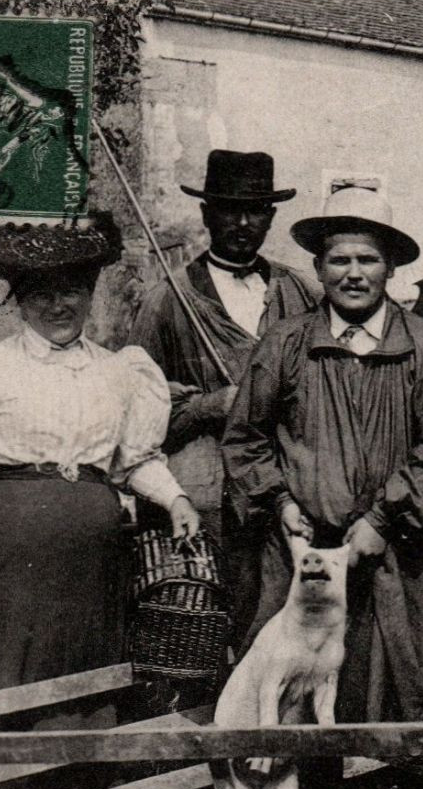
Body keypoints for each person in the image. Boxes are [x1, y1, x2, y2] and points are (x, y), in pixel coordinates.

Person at [222, 188, 423, 789]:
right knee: (305, 678)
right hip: (306, 551)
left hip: (403, 551)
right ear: (317, 268)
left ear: (391, 267)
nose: (353, 274)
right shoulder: (284, 345)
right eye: (339, 260)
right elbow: (246, 439)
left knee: (417, 672)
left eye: (367, 259)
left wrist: (384, 518)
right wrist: (280, 503)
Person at [0, 218, 201, 717]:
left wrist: (173, 497)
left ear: (89, 295)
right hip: (5, 565)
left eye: (70, 291)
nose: (57, 306)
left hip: (88, 572)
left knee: (77, 697)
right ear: (20, 301)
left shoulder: (119, 370)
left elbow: (132, 460)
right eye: (41, 294)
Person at [129, 149, 320, 649]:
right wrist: (212, 406)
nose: (242, 221)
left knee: (281, 634)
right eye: (228, 208)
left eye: (255, 209)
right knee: (205, 637)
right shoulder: (168, 300)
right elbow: (137, 421)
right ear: (205, 213)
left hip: (282, 492)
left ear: (271, 216)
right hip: (206, 498)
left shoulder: (296, 292)